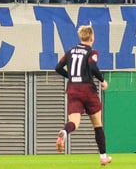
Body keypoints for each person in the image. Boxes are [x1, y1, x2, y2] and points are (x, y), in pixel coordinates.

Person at [54, 24, 112, 166]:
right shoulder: (92, 52)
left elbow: (57, 68)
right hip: (88, 90)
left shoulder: (70, 51)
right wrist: (103, 81)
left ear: (81, 37)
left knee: (74, 122)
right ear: (92, 37)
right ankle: (103, 157)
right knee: (97, 124)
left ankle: (64, 132)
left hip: (73, 89)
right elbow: (92, 65)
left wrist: (71, 76)